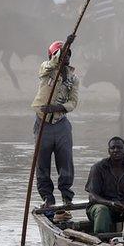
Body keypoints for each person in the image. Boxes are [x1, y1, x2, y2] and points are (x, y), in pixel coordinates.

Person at [31, 39, 80, 208]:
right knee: (42, 163)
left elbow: (73, 102)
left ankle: (66, 195)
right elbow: (51, 64)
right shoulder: (45, 70)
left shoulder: (73, 78)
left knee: (65, 161)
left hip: (61, 124)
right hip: (43, 124)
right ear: (53, 56)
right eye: (62, 55)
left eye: (68, 55)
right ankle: (47, 197)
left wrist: (58, 107)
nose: (65, 58)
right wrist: (64, 45)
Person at [85, 137, 124, 234]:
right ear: (108, 151)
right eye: (113, 148)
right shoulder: (98, 168)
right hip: (101, 207)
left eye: (119, 148)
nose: (116, 150)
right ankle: (101, 239)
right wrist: (110, 203)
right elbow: (92, 196)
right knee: (102, 210)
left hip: (123, 207)